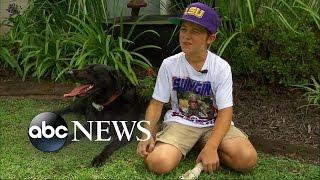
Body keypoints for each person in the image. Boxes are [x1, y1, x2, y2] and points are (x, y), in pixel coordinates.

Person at [136, 2, 257, 174]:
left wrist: (212, 145)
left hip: (213, 124)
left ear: (211, 38)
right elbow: (156, 104)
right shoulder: (169, 65)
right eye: (184, 29)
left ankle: (203, 146)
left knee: (246, 159)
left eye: (195, 31)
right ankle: (191, 145)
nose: (186, 36)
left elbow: (225, 112)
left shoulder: (221, 68)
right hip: (181, 123)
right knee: (158, 163)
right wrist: (148, 134)